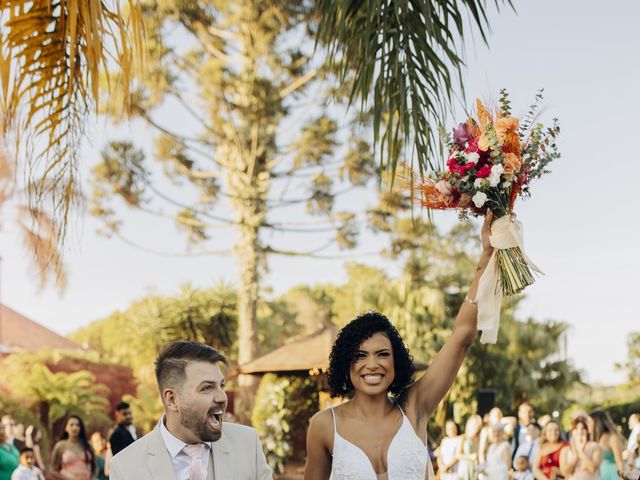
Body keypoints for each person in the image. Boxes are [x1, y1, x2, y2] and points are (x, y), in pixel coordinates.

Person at [303, 214, 494, 480]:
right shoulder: (324, 426)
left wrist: (487, 255)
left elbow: (462, 335)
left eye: (383, 354)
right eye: (361, 356)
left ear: (397, 362)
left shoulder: (415, 407)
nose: (373, 365)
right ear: (347, 364)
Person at [108, 340, 272, 480]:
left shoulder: (247, 443)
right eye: (207, 388)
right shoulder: (125, 468)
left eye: (221, 385)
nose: (222, 397)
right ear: (172, 399)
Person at [50, 415, 97, 480]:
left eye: (77, 425)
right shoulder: (60, 446)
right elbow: (53, 470)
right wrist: (65, 478)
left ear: (81, 428)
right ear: (66, 428)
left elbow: (95, 467)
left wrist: (92, 478)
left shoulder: (88, 446)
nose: (74, 428)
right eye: (71, 425)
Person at [589, 410, 625, 480]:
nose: (588, 425)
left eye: (590, 422)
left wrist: (621, 478)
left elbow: (620, 462)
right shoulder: (596, 439)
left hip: (614, 476)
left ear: (597, 423)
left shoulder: (612, 438)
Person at [456, 415, 483, 480]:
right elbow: (457, 455)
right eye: (474, 423)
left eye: (478, 424)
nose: (476, 426)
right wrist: (470, 456)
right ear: (469, 424)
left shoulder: (481, 438)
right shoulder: (463, 437)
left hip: (477, 468)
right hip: (465, 468)